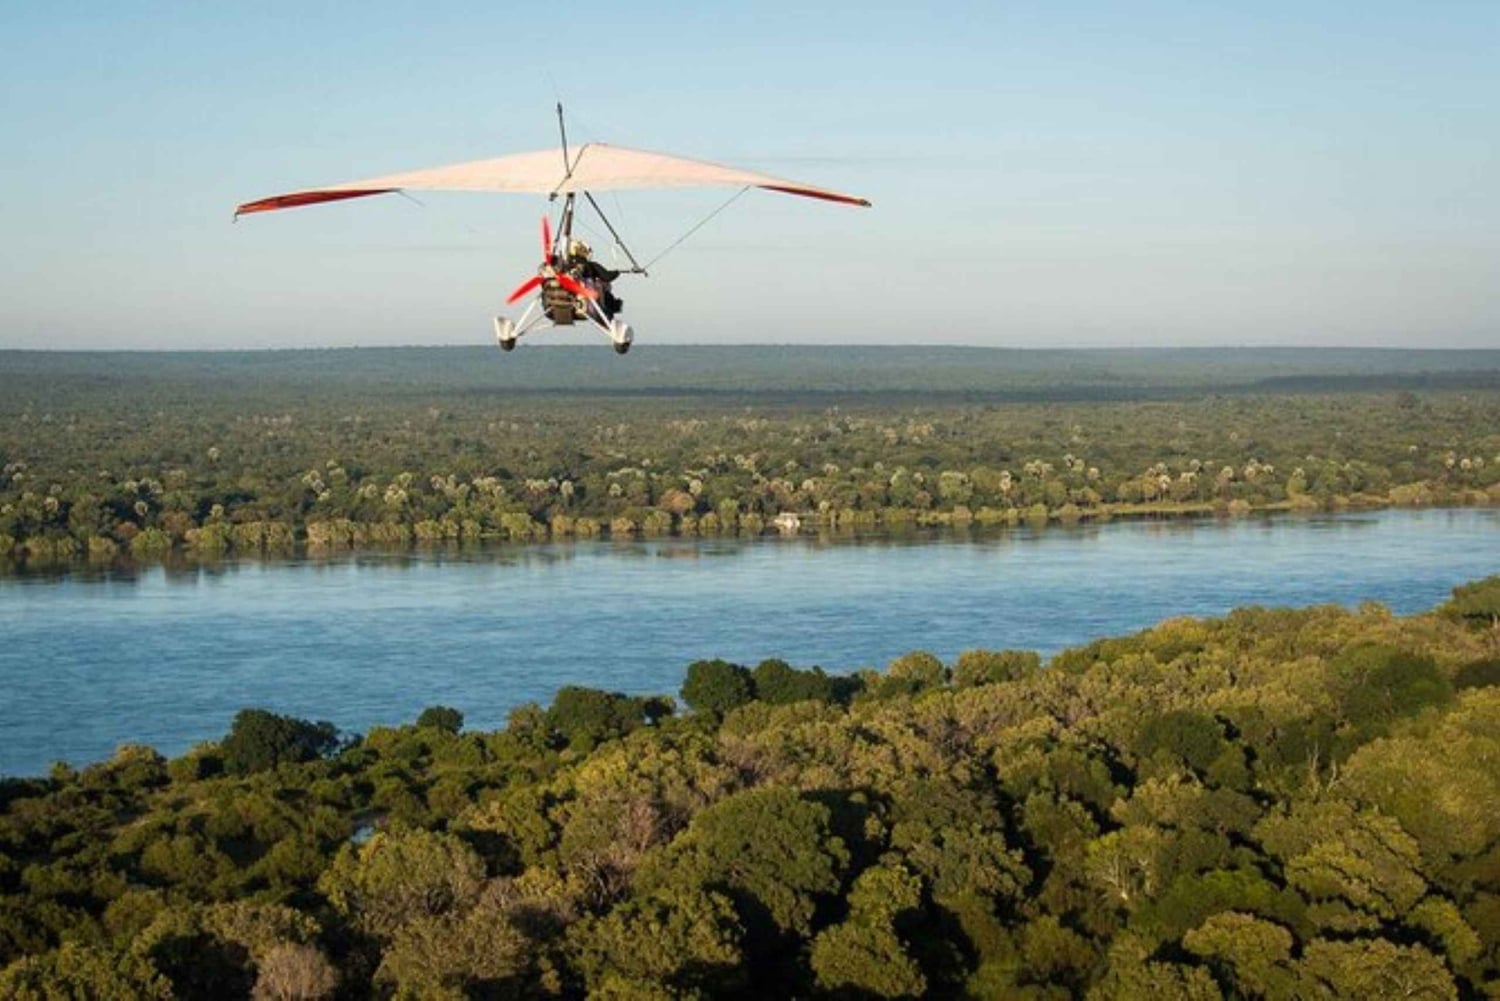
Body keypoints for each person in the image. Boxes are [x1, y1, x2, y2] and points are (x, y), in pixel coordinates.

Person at [568, 240, 624, 319]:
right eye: (584, 251)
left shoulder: (564, 266)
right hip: (587, 303)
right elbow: (607, 276)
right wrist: (617, 272)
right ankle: (607, 309)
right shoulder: (591, 265)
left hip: (564, 304)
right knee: (603, 284)